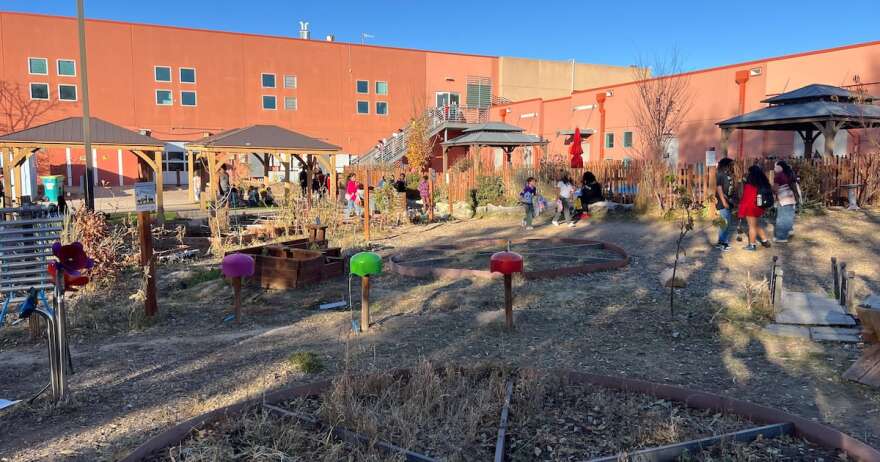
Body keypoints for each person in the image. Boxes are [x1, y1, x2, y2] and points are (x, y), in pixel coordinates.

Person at [738, 165, 772, 251]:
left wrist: (741, 212)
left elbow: (745, 199)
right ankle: (765, 241)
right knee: (755, 225)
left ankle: (752, 245)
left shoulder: (750, 185)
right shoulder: (763, 183)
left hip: (751, 208)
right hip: (759, 207)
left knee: (751, 226)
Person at [714, 158, 738, 252]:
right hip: (722, 202)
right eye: (731, 164)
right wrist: (724, 201)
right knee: (725, 223)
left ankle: (720, 242)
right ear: (726, 165)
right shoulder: (720, 174)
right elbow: (719, 188)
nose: (732, 166)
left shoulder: (728, 174)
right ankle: (724, 243)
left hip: (728, 201)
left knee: (725, 223)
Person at [772, 160, 798, 243]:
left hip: (783, 200)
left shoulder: (778, 176)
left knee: (781, 219)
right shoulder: (789, 174)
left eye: (775, 167)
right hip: (791, 198)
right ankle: (789, 231)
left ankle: (781, 238)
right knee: (788, 216)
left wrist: (770, 188)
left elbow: (775, 189)